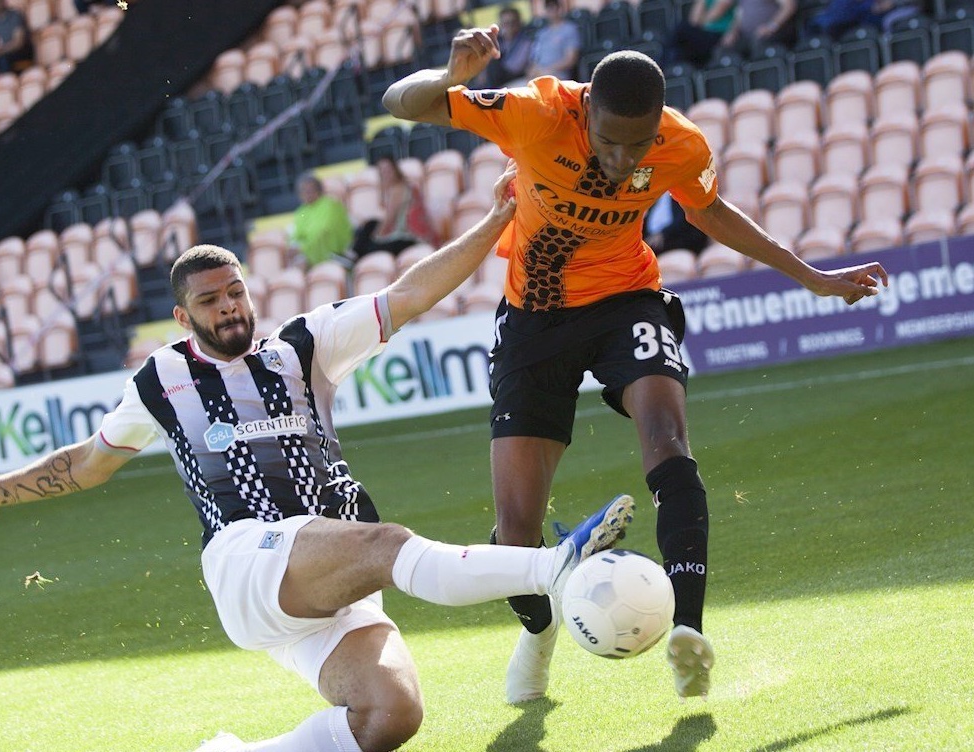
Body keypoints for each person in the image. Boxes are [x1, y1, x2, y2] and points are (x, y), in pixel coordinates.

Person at [0, 168, 636, 752]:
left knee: (392, 716)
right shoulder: (159, 380)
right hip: (247, 562)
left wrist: (501, 218)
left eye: (235, 293)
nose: (229, 308)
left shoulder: (304, 346)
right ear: (183, 316)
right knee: (386, 544)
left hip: (329, 575)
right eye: (210, 301)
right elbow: (85, 464)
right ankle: (554, 566)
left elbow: (409, 294)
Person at [383, 35, 889, 703]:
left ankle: (689, 632)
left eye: (638, 144)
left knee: (667, 439)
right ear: (585, 108)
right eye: (611, 143)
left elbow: (708, 210)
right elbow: (400, 103)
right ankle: (539, 637)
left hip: (628, 299)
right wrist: (452, 75)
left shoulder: (679, 143)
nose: (624, 161)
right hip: (534, 319)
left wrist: (813, 278)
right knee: (515, 533)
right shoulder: (536, 110)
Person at [352, 156, 437, 258]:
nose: (385, 174)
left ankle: (354, 256)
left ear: (395, 170)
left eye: (388, 170)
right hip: (402, 232)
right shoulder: (393, 189)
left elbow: (389, 220)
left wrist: (375, 238)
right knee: (370, 224)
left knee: (369, 246)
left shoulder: (399, 189)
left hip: (410, 238)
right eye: (382, 171)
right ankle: (354, 254)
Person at [287, 172, 355, 267]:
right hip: (309, 253)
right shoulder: (301, 212)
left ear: (319, 190)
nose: (307, 193)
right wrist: (295, 247)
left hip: (335, 253)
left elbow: (323, 231)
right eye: (303, 191)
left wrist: (303, 248)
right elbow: (297, 235)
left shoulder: (330, 205)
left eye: (310, 190)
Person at [472, 5, 533, 89]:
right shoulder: (499, 41)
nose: (510, 27)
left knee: (492, 64)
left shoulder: (525, 41)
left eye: (513, 22)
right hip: (497, 76)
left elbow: (516, 67)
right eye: (506, 23)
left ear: (519, 23)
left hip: (513, 74)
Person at [664, 0, 737, 68]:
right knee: (677, 51)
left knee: (681, 31)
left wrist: (702, 21)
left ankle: (661, 68)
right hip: (703, 33)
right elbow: (694, 20)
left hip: (719, 34)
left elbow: (717, 12)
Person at [525, 0, 581, 81]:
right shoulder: (542, 33)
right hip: (538, 74)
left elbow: (571, 59)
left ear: (560, 8)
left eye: (554, 7)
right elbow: (535, 58)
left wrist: (547, 69)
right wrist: (532, 71)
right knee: (510, 89)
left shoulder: (569, 29)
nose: (552, 10)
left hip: (559, 75)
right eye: (549, 8)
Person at [720, 0, 797, 54]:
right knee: (724, 48)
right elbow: (739, 16)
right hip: (745, 35)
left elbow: (789, 6)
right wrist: (732, 31)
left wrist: (771, 26)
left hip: (773, 32)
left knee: (759, 42)